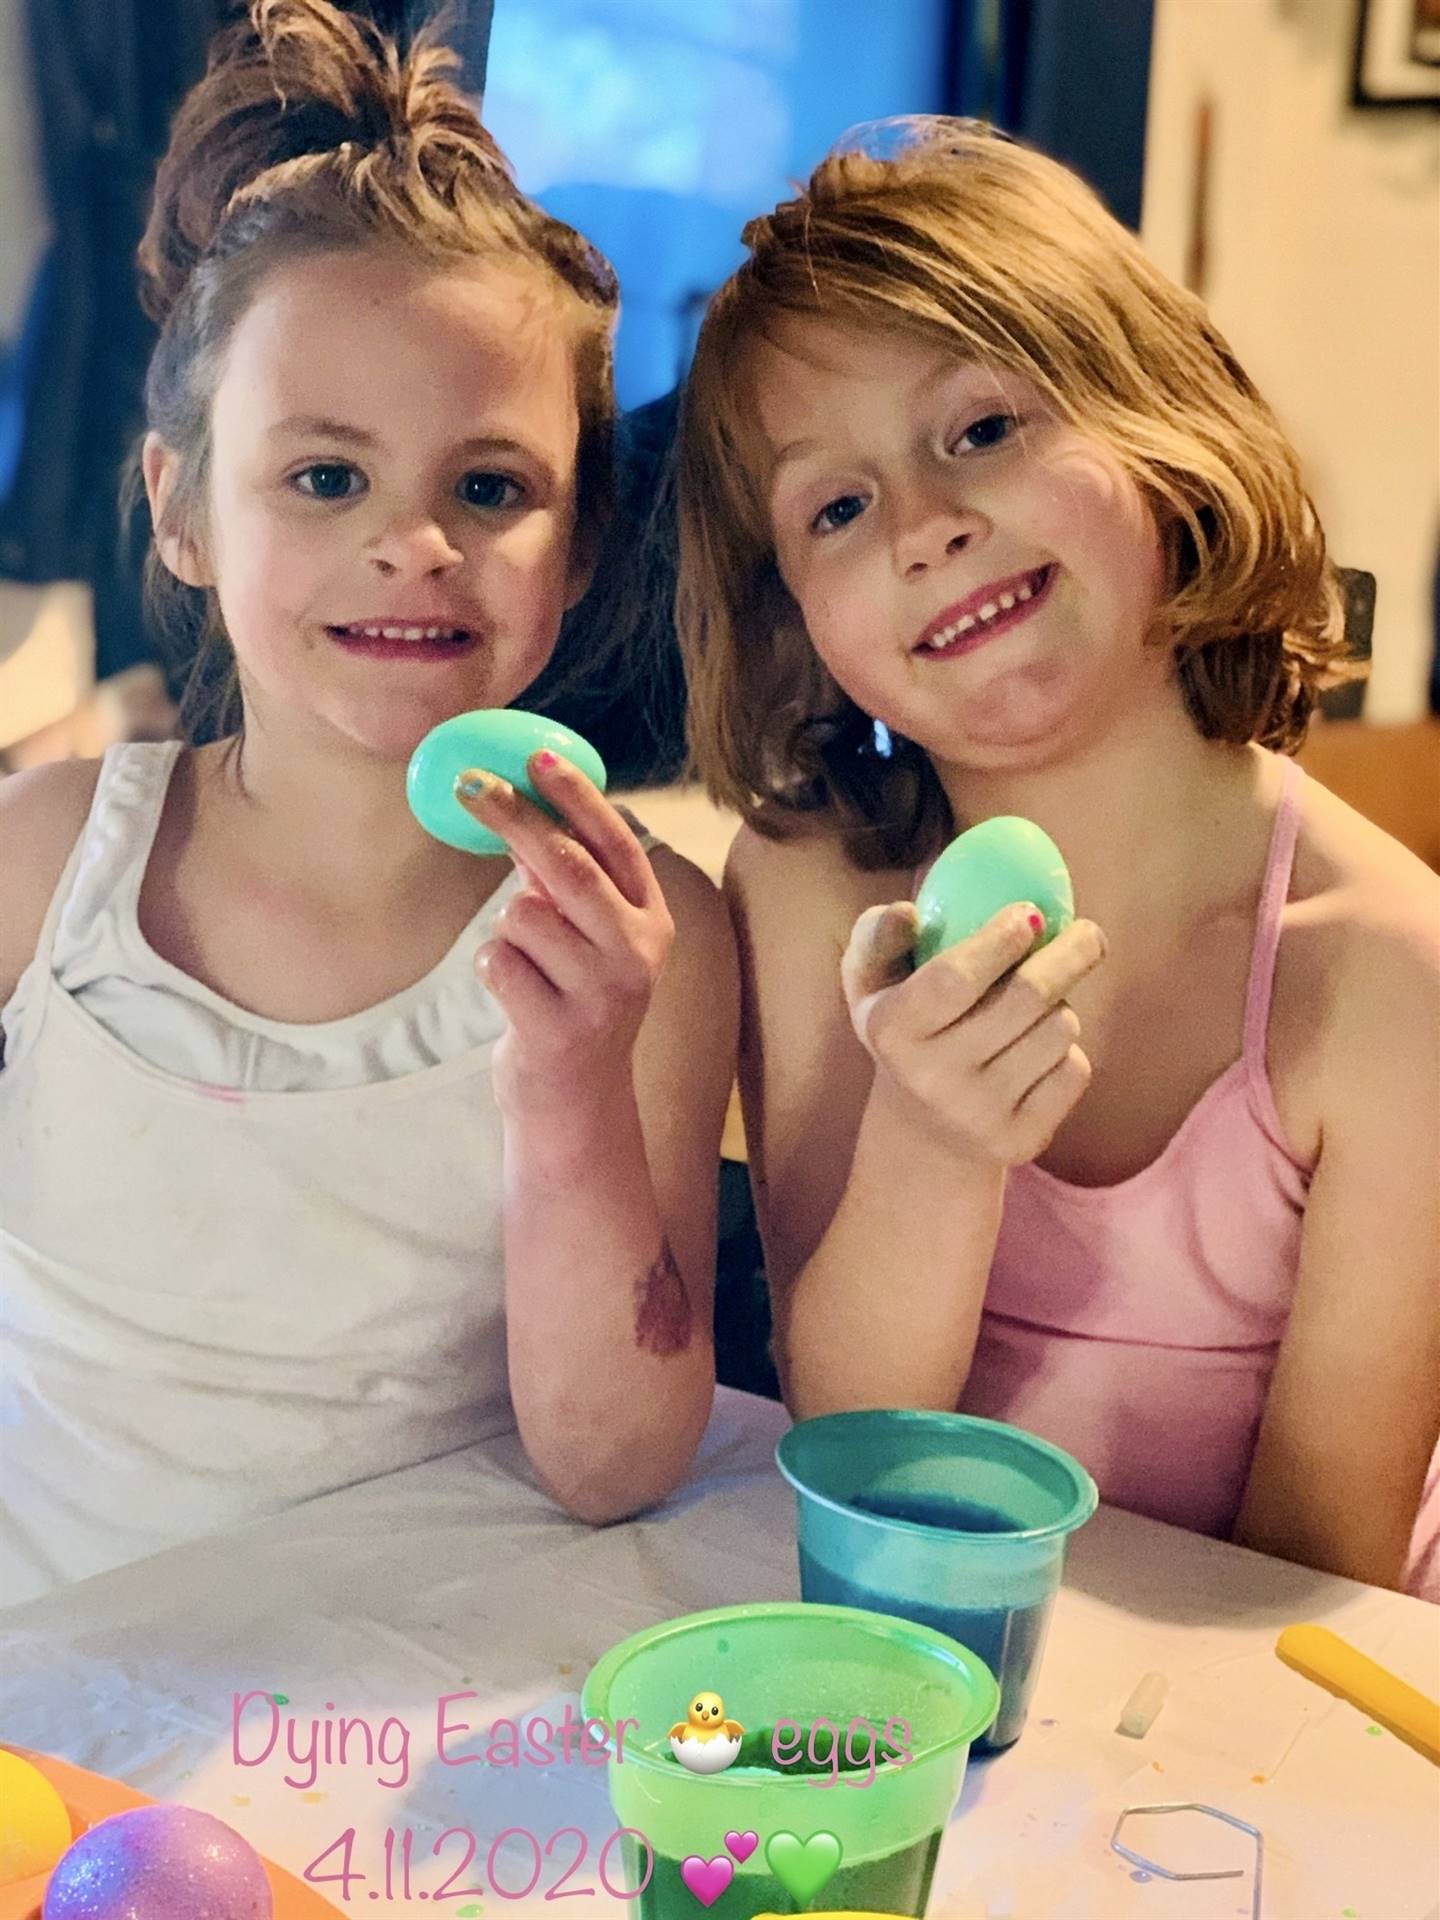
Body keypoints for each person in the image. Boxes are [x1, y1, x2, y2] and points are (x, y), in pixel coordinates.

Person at [0, 0, 737, 1608]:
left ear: (585, 536)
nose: (416, 544)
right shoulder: (44, 863)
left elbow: (612, 1465)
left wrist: (571, 1085)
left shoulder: (653, 932)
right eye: (325, 477)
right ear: (183, 508)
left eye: (490, 487)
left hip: (403, 1719)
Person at [675, 119, 1439, 1598]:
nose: (927, 529)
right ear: (792, 619)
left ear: (1166, 429)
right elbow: (856, 1446)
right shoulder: (806, 891)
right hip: (939, 1649)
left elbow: (1315, 1564)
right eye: (836, 507)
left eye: (983, 430)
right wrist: (936, 1140)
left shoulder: (1388, 975)